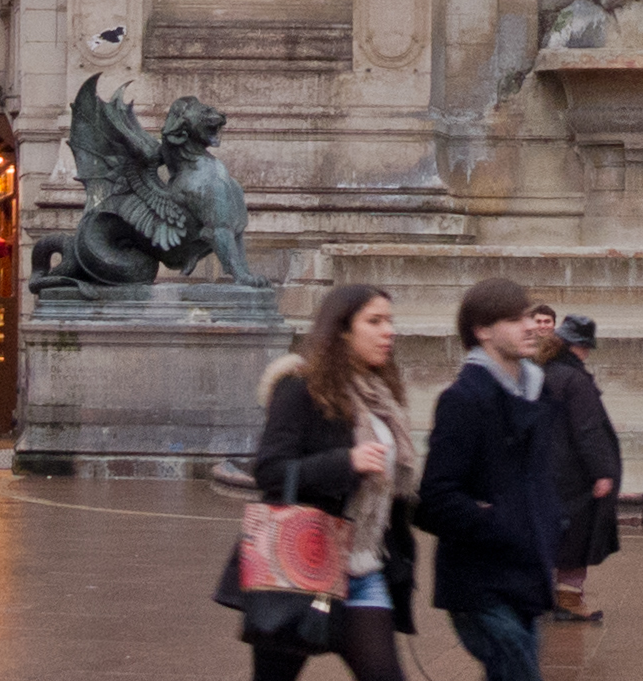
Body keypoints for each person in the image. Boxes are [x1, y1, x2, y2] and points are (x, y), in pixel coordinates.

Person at [242, 281, 418, 681]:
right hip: (297, 562)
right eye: (374, 321)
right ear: (342, 329)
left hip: (362, 568)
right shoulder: (301, 386)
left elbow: (397, 491)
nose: (388, 331)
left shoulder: (382, 395)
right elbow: (270, 470)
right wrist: (346, 461)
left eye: (390, 321)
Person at [417, 276, 559, 681]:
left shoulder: (536, 391)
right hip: (479, 582)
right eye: (515, 319)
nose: (531, 326)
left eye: (530, 317)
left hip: (526, 574)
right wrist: (497, 521)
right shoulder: (462, 400)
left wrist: (550, 521)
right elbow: (436, 498)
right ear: (482, 330)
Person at [536, 312, 620, 620]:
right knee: (576, 538)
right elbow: (588, 429)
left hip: (548, 469)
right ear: (578, 346)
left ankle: (542, 597)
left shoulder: (542, 372)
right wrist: (602, 471)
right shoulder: (575, 379)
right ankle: (569, 600)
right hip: (575, 474)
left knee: (550, 534)